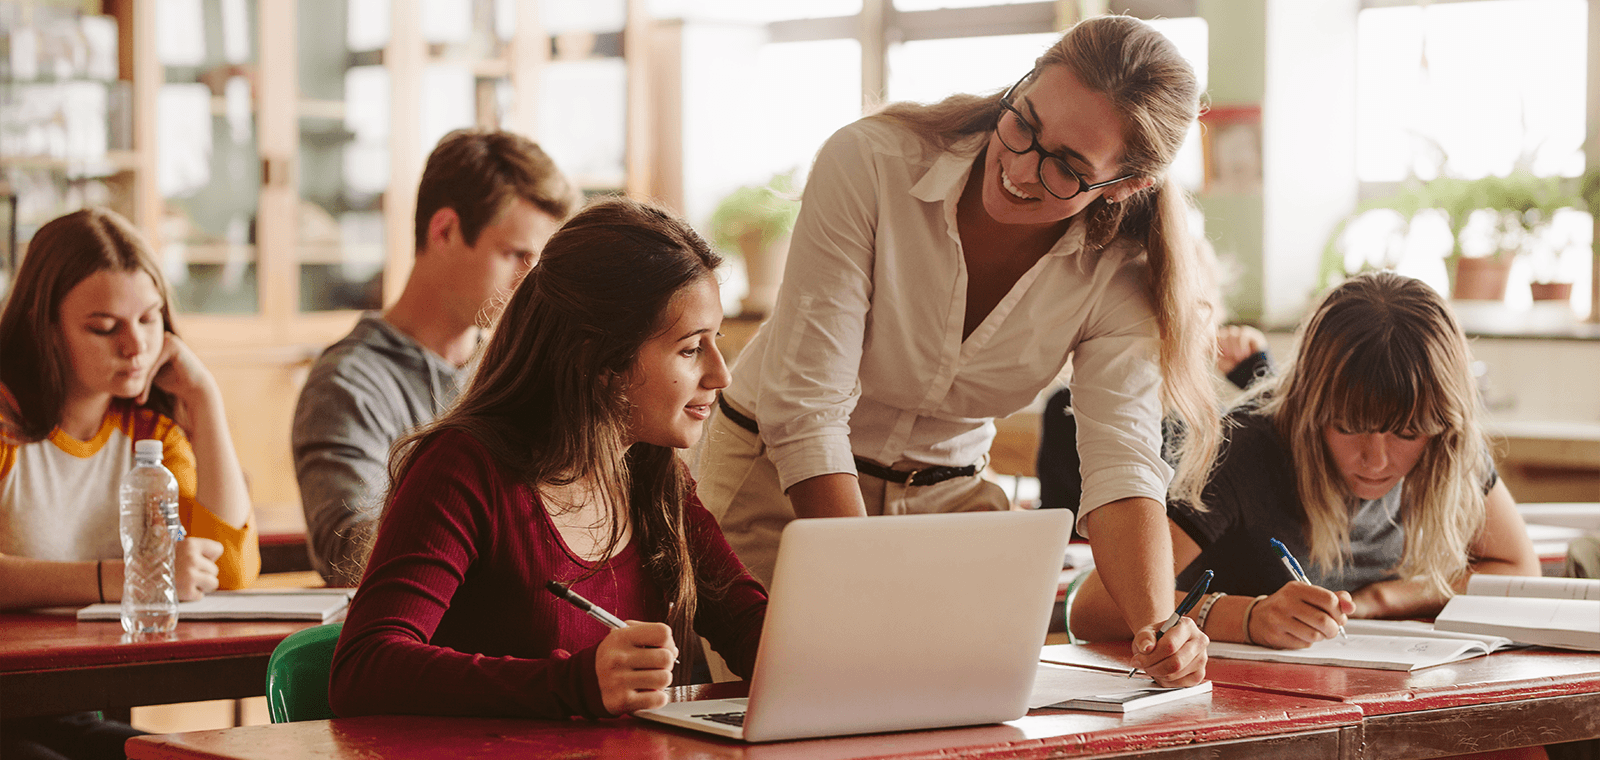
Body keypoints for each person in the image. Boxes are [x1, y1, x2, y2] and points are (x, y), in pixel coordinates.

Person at [693, 14, 1216, 685]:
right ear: (1021, 84)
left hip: (942, 507)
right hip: (780, 487)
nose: (1022, 169)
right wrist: (855, 586)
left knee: (958, 721)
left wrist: (1157, 627)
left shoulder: (1125, 268)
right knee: (793, 707)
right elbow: (806, 411)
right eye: (1025, 124)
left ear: (1123, 185)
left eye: (1067, 167)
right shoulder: (871, 162)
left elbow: (1121, 463)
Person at [328, 198, 767, 720]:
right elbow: (362, 670)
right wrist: (573, 682)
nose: (722, 375)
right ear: (599, 357)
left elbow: (748, 626)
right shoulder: (462, 469)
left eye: (715, 342)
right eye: (692, 349)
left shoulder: (652, 474)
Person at [1068, 271, 1540, 648]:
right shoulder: (1247, 444)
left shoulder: (1447, 440)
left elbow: (1517, 569)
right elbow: (1091, 607)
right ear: (1309, 406)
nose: (1376, 459)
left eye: (1406, 433)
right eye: (1349, 426)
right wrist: (1246, 617)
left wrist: (1382, 599)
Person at [0, 208, 259, 760]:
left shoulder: (150, 435)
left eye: (148, 319)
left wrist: (205, 400)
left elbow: (231, 571)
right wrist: (120, 578)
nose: (136, 346)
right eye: (103, 327)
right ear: (45, 326)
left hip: (75, 702)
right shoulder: (6, 422)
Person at [293, 128, 582, 586]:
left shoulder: (520, 370)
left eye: (540, 263)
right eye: (516, 255)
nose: (532, 284)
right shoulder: (347, 384)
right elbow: (348, 555)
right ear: (444, 230)